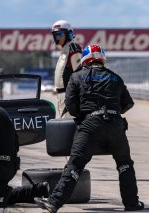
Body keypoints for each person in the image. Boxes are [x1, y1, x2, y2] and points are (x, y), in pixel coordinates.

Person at [34, 44, 144, 212]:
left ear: (85, 60)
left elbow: (70, 104)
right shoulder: (115, 77)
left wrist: (84, 116)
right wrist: (113, 112)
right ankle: (132, 204)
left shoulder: (77, 76)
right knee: (125, 164)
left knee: (75, 165)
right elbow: (128, 103)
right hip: (115, 125)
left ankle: (54, 202)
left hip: (90, 125)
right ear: (102, 59)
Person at [51, 20, 82, 117]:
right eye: (55, 35)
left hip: (69, 96)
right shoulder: (63, 52)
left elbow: (80, 74)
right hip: (60, 96)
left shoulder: (73, 49)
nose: (57, 37)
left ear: (69, 34)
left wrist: (74, 97)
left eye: (60, 34)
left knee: (67, 126)